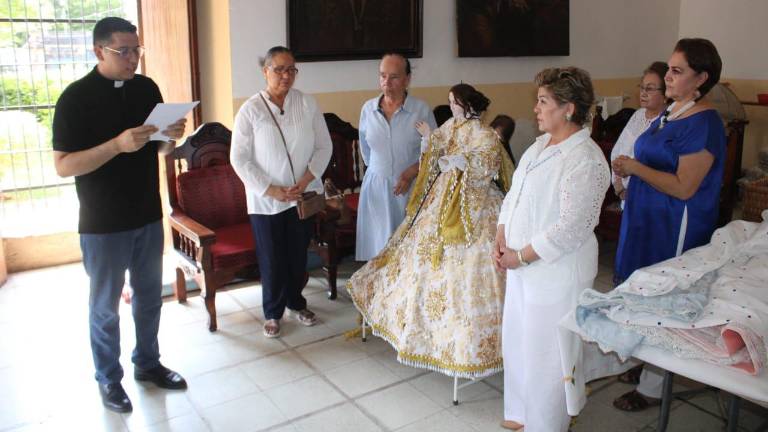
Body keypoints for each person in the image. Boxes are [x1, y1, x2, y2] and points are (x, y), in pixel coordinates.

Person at [52, 17, 188, 413]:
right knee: (105, 308)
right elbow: (63, 166)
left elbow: (158, 150)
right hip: (102, 222)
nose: (133, 58)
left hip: (146, 214)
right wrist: (116, 144)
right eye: (123, 51)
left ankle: (147, 364)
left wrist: (169, 136)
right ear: (99, 52)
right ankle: (109, 379)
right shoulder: (75, 98)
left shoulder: (146, 88)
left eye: (136, 49)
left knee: (149, 300)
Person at [348, 83, 514, 378]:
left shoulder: (485, 134)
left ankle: (472, 340)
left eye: (454, 103)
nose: (451, 107)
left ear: (467, 104)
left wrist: (462, 163)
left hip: (472, 205)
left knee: (472, 268)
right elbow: (437, 149)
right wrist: (429, 141)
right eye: (450, 102)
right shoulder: (451, 124)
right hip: (441, 199)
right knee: (414, 254)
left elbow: (486, 165)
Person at [611, 38, 726, 411]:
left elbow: (683, 186)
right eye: (669, 69)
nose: (668, 77)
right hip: (644, 215)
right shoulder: (671, 113)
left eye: (677, 71)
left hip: (673, 224)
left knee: (664, 299)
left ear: (702, 78)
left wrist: (634, 168)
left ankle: (653, 386)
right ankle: (645, 360)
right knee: (640, 288)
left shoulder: (704, 123)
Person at [495, 67, 609, 431]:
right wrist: (501, 233)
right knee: (519, 340)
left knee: (548, 353)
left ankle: (547, 423)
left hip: (556, 270)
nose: (536, 109)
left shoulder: (586, 159)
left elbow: (571, 226)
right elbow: (513, 194)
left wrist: (521, 254)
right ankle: (520, 412)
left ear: (569, 109)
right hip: (523, 267)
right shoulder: (539, 146)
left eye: (544, 102)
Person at [231, 46, 332, 339]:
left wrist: (306, 179)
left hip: (301, 195)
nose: (286, 76)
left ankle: (296, 303)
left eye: (291, 70)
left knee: (297, 254)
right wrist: (271, 189)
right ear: (265, 71)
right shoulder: (250, 110)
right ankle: (272, 312)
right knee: (272, 257)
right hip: (266, 201)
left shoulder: (307, 103)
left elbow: (324, 145)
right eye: (279, 70)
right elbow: (239, 158)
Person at [355, 53, 437, 261]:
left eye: (394, 77)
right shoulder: (368, 109)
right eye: (382, 76)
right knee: (378, 251)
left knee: (406, 252)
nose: (386, 83)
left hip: (410, 189)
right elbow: (365, 148)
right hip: (376, 189)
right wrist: (380, 170)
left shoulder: (420, 109)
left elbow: (434, 150)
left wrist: (412, 171)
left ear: (407, 79)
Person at [611, 61, 669, 207]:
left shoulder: (668, 122)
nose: (643, 93)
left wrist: (629, 189)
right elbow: (618, 150)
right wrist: (619, 186)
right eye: (642, 87)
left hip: (649, 196)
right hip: (623, 191)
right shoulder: (638, 114)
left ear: (666, 94)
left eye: (649, 89)